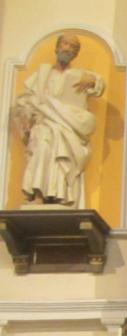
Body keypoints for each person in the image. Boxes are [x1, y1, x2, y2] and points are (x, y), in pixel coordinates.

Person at [12, 33, 105, 207]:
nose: (67, 48)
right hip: (44, 123)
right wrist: (26, 118)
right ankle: (39, 195)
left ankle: (60, 196)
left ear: (76, 53)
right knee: (43, 144)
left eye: (72, 47)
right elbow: (26, 100)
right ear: (57, 47)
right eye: (65, 44)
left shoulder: (79, 75)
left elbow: (100, 86)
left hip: (68, 126)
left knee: (62, 151)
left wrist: (93, 80)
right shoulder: (42, 74)